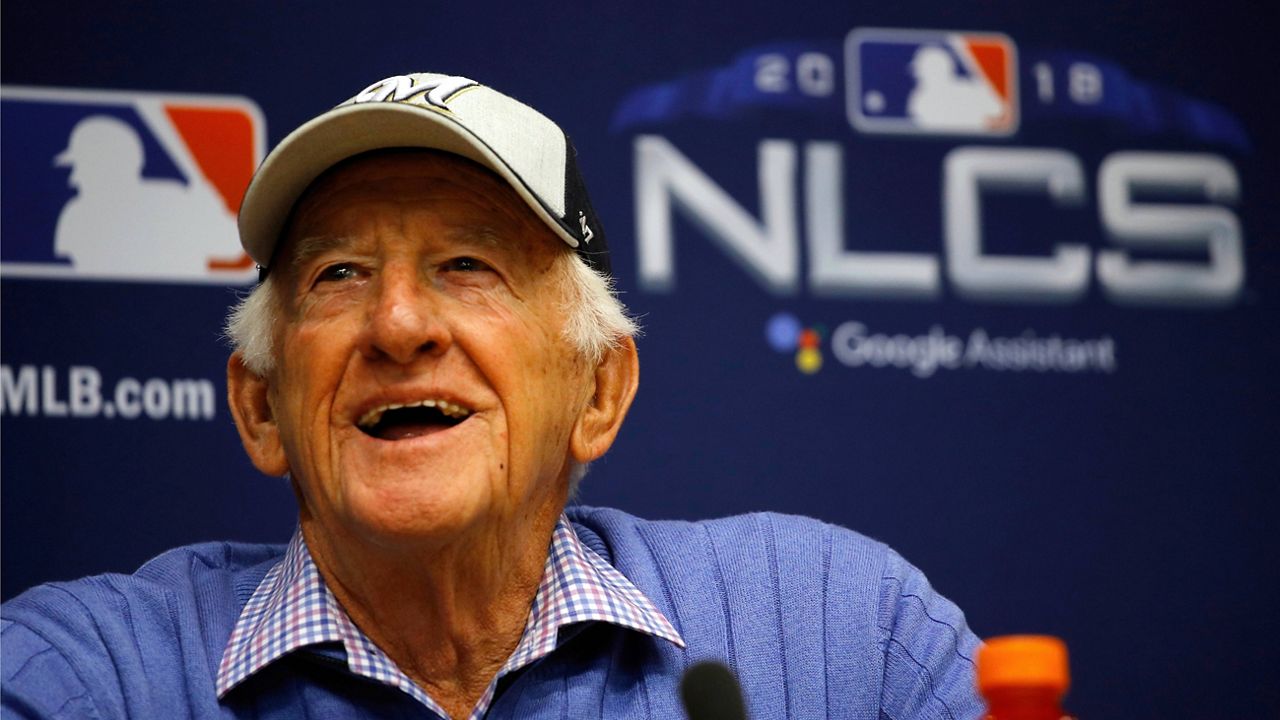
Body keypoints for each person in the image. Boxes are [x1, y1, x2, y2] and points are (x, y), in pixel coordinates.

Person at [2, 72, 983, 719]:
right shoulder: (86, 677)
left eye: (467, 264)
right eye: (336, 274)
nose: (396, 326)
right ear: (259, 407)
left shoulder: (839, 637)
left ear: (599, 389)